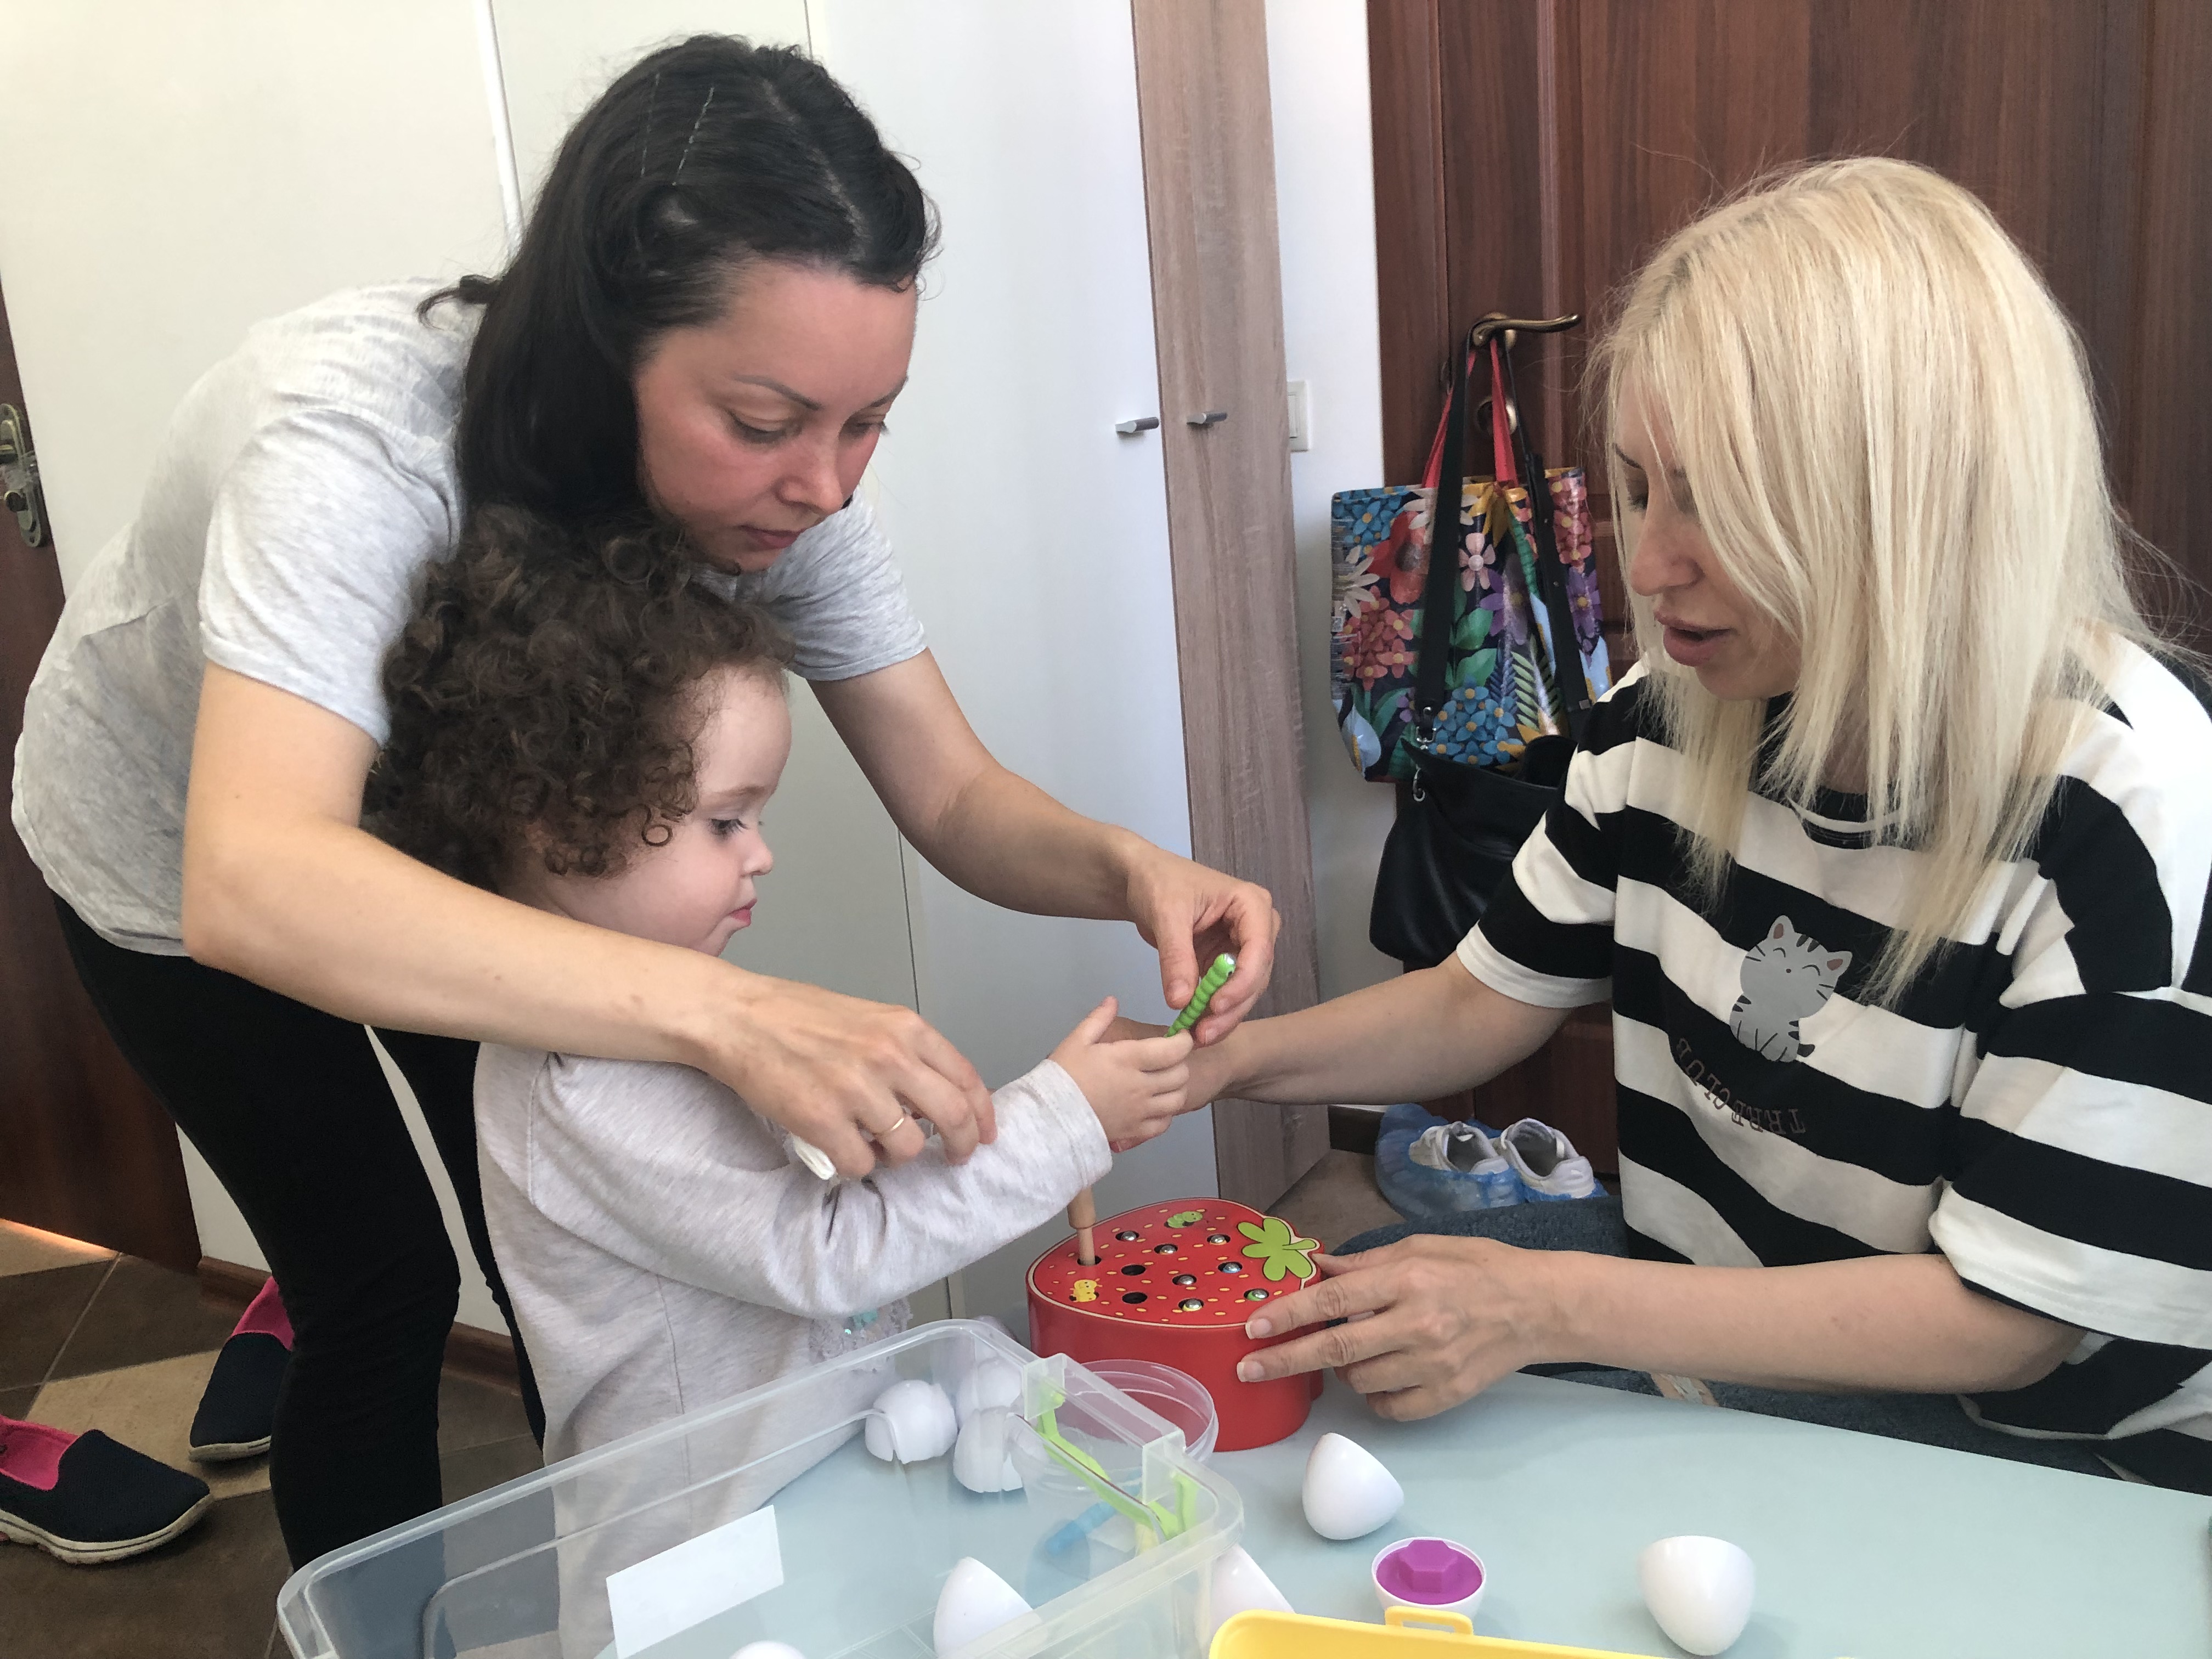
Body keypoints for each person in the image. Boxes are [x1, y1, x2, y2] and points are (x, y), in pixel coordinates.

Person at [7, 36, 1272, 1566]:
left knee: (549, 1253)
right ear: (603, 350)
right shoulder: (346, 444)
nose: (826, 486)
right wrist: (725, 1014)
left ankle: (631, 1558)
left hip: (466, 855)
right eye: (765, 423)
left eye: (869, 421)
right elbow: (261, 877)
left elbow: (948, 791)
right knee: (384, 1284)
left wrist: (1128, 868)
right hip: (182, 861)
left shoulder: (787, 494)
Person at [1190, 159, 2212, 1493]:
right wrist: (1217, 1067)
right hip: (1732, 1327)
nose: (1652, 564)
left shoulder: (2126, 819)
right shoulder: (1666, 713)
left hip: (2035, 1456)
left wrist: (1542, 1306)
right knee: (1347, 1331)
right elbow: (1481, 1002)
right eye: (1637, 489)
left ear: (1905, 507)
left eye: (1720, 504)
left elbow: (2009, 1323)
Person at [369, 505, 1193, 1468]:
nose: (763, 854)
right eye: (726, 822)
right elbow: (829, 1255)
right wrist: (1061, 1123)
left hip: (812, 1476)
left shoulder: (678, 1009)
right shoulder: (580, 1087)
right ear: (558, 822)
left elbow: (789, 1203)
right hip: (705, 1547)